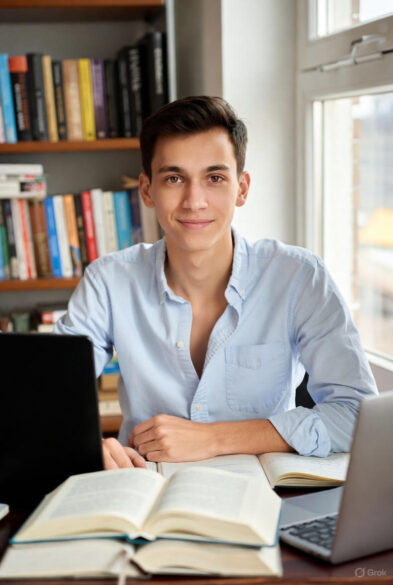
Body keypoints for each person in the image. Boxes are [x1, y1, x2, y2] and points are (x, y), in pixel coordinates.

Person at [55, 96, 377, 470]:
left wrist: (213, 438)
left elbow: (358, 414)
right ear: (147, 190)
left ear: (241, 188)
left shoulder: (299, 276)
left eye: (215, 178)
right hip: (146, 495)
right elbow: (43, 400)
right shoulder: (108, 281)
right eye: (174, 178)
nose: (194, 201)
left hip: (269, 497)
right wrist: (88, 445)